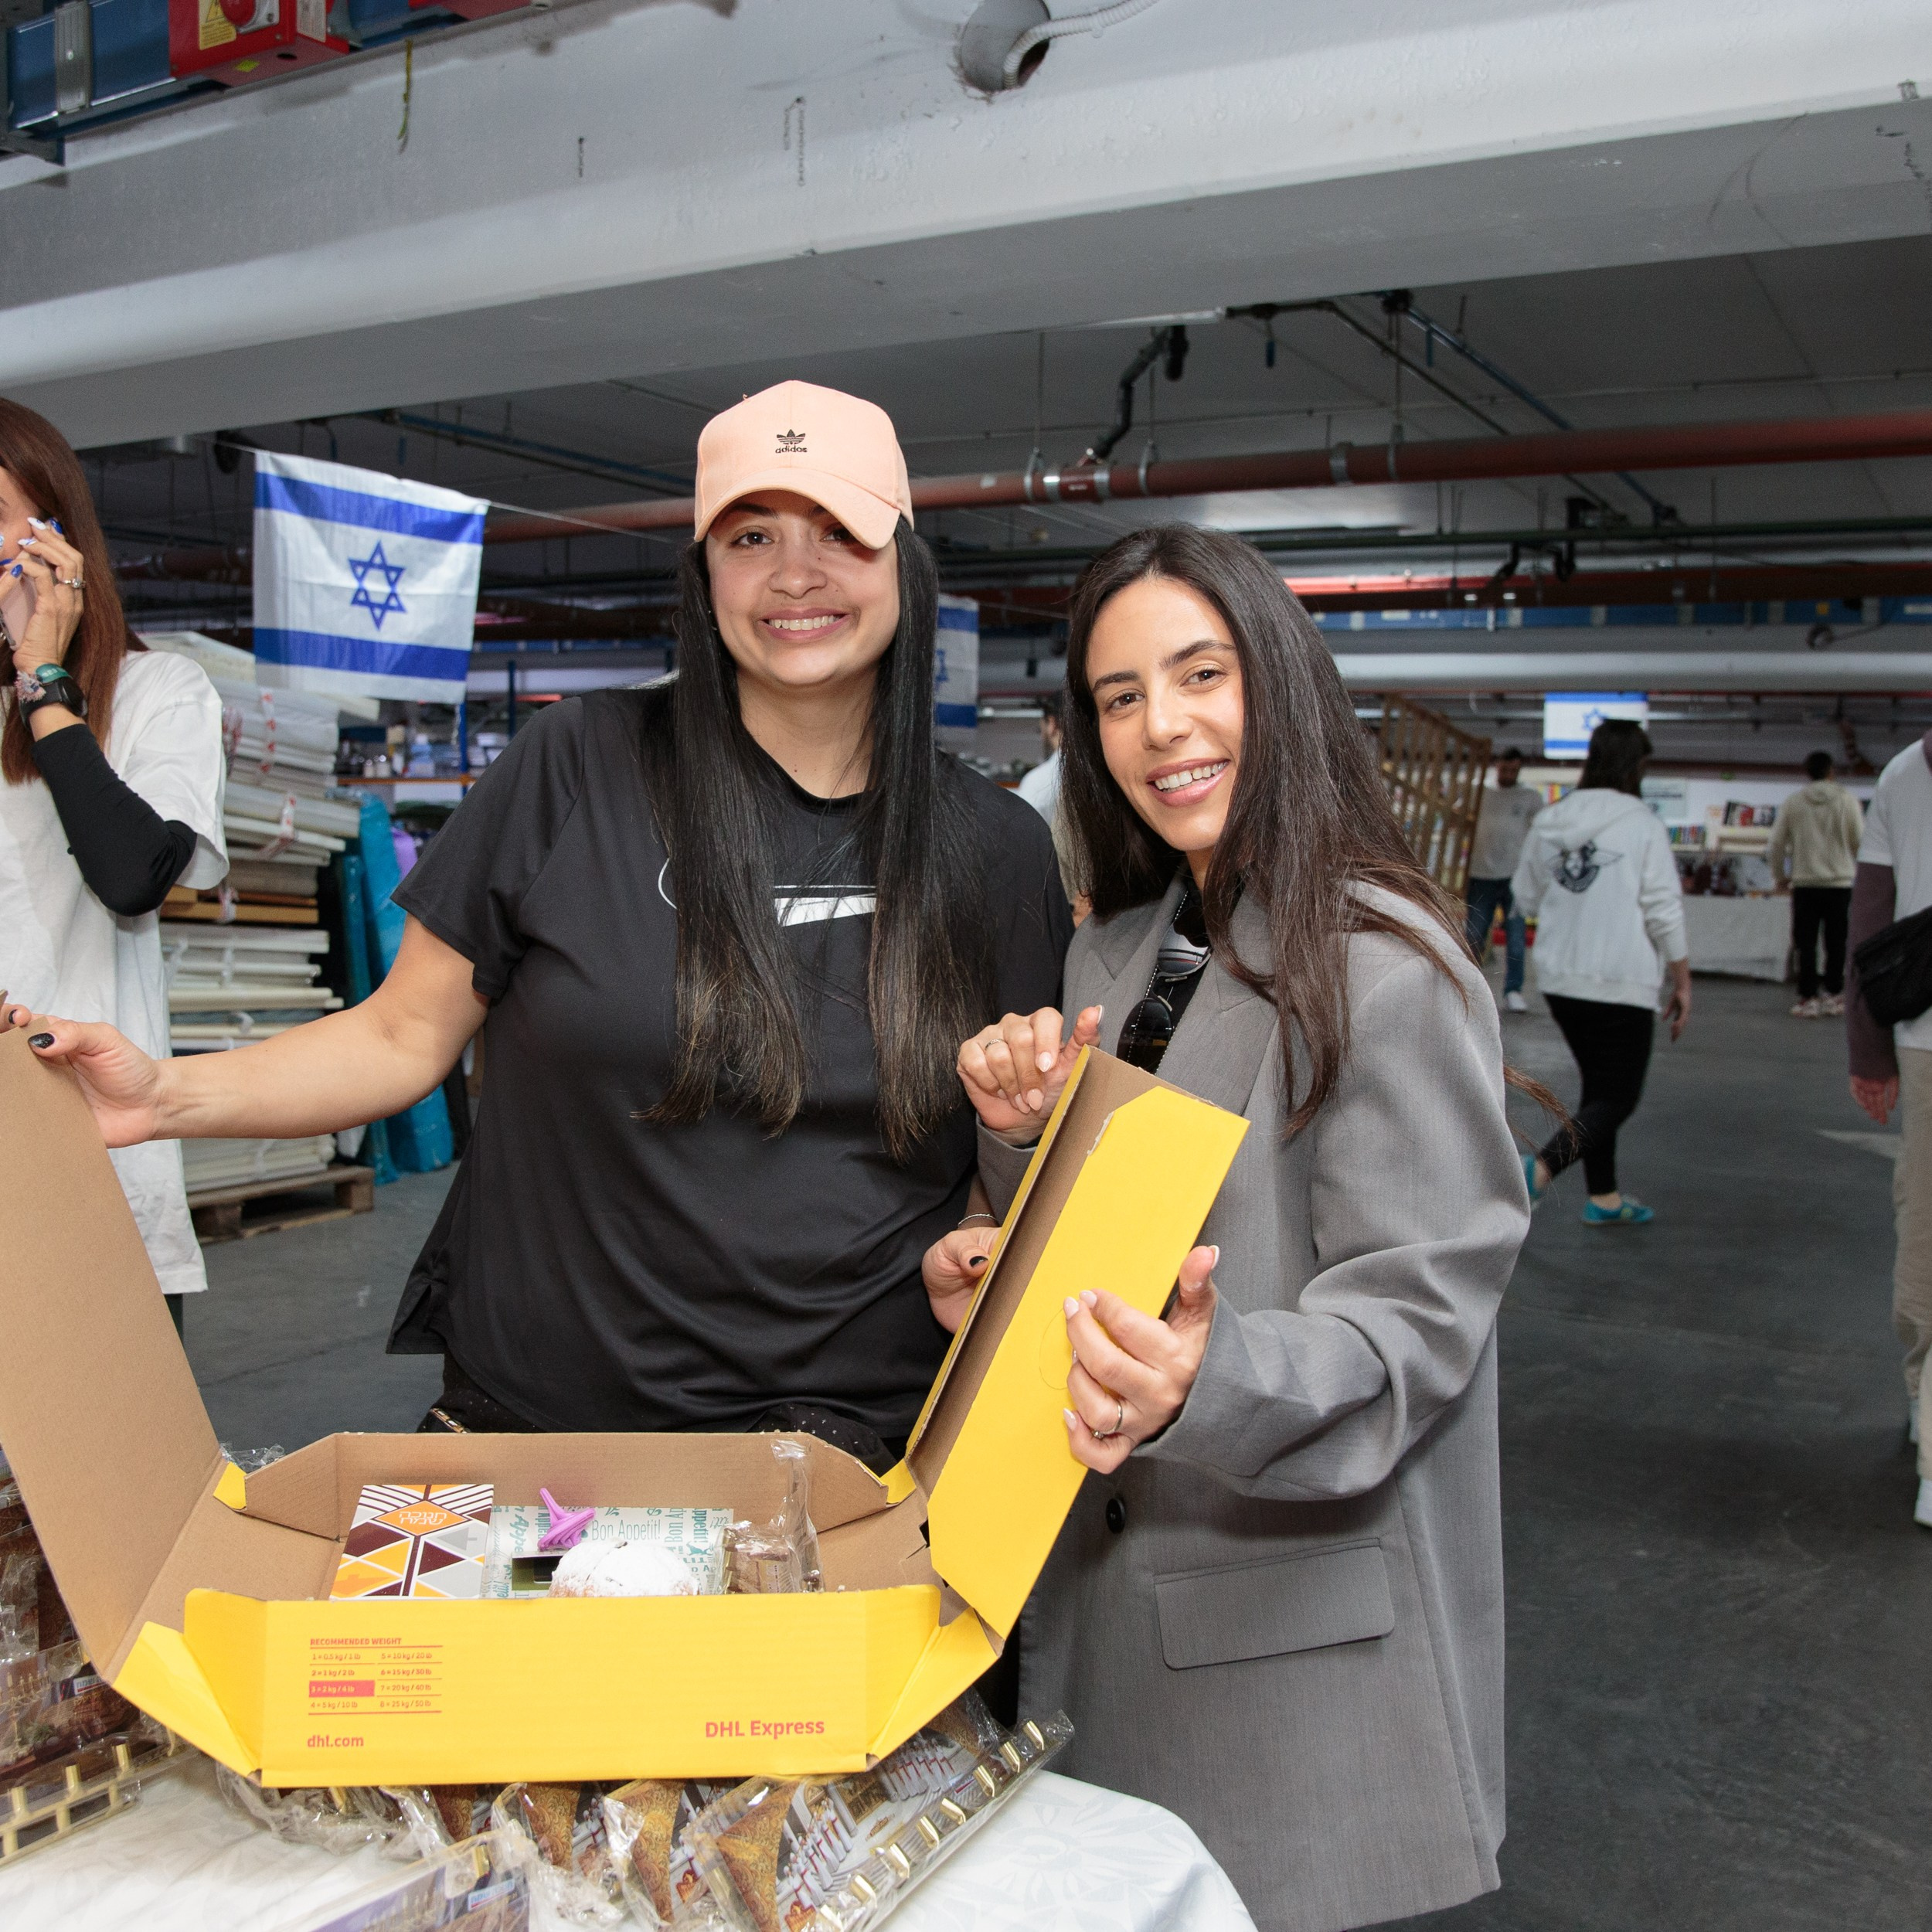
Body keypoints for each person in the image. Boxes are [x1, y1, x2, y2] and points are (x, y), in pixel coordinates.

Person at [5, 381, 1070, 1468]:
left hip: (857, 1452)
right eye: (751, 535)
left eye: (840, 532)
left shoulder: (993, 847)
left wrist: (1003, 1201)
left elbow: (1010, 1154)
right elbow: (397, 1036)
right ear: (703, 574)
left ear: (904, 560)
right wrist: (167, 1091)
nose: (795, 574)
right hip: (547, 1438)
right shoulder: (576, 769)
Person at [922, 525, 1529, 1932]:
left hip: (1282, 1637)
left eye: (1200, 674)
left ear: (1280, 684)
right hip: (1106, 1615)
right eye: (1120, 695)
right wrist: (1003, 1198)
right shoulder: (1124, 952)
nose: (1162, 727)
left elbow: (1414, 1320)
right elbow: (1109, 1235)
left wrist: (1213, 1378)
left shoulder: (1385, 966)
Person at [0, 398, 226, 1335]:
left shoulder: (154, 694)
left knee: (102, 1478)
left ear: (54, 538)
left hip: (87, 1168)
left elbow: (135, 874)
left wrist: (43, 682)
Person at [1512, 720, 1689, 1226]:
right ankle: (1540, 1169)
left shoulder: (1551, 819)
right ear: (1637, 765)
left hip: (1562, 979)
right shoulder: (1643, 824)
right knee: (1619, 1097)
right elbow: (1662, 908)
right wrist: (1683, 978)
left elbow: (1524, 898)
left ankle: (1605, 1198)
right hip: (1621, 979)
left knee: (1598, 1090)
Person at [1845, 730, 1932, 1529]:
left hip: (1924, 1039)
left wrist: (1870, 1048)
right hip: (1927, 1039)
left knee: (1924, 1225)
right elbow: (1871, 921)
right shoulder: (1907, 774)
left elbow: (1869, 920)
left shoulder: (1906, 769)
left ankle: (1923, 1403)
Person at [1767, 749, 1862, 1019]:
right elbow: (1860, 842)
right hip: (1840, 884)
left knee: (1805, 943)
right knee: (1837, 942)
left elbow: (1776, 844)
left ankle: (1808, 997)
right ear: (1831, 771)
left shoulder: (1794, 802)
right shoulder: (1847, 801)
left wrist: (1780, 876)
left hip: (1805, 884)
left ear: (1807, 772)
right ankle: (1834, 994)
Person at [1464, 744, 1540, 1012]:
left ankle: (1513, 990)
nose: (1508, 772)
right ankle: (1466, 988)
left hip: (1514, 880)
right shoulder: (1480, 794)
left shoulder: (1530, 797)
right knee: (1473, 935)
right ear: (1497, 766)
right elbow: (1458, 818)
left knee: (1516, 939)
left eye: (1513, 769)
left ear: (1519, 768)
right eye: (1504, 768)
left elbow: (1539, 837)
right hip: (1480, 875)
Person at [1015, 689, 1063, 821]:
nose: (1042, 734)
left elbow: (1023, 837)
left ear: (1052, 724)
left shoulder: (1037, 783)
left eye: (1042, 726)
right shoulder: (1102, 774)